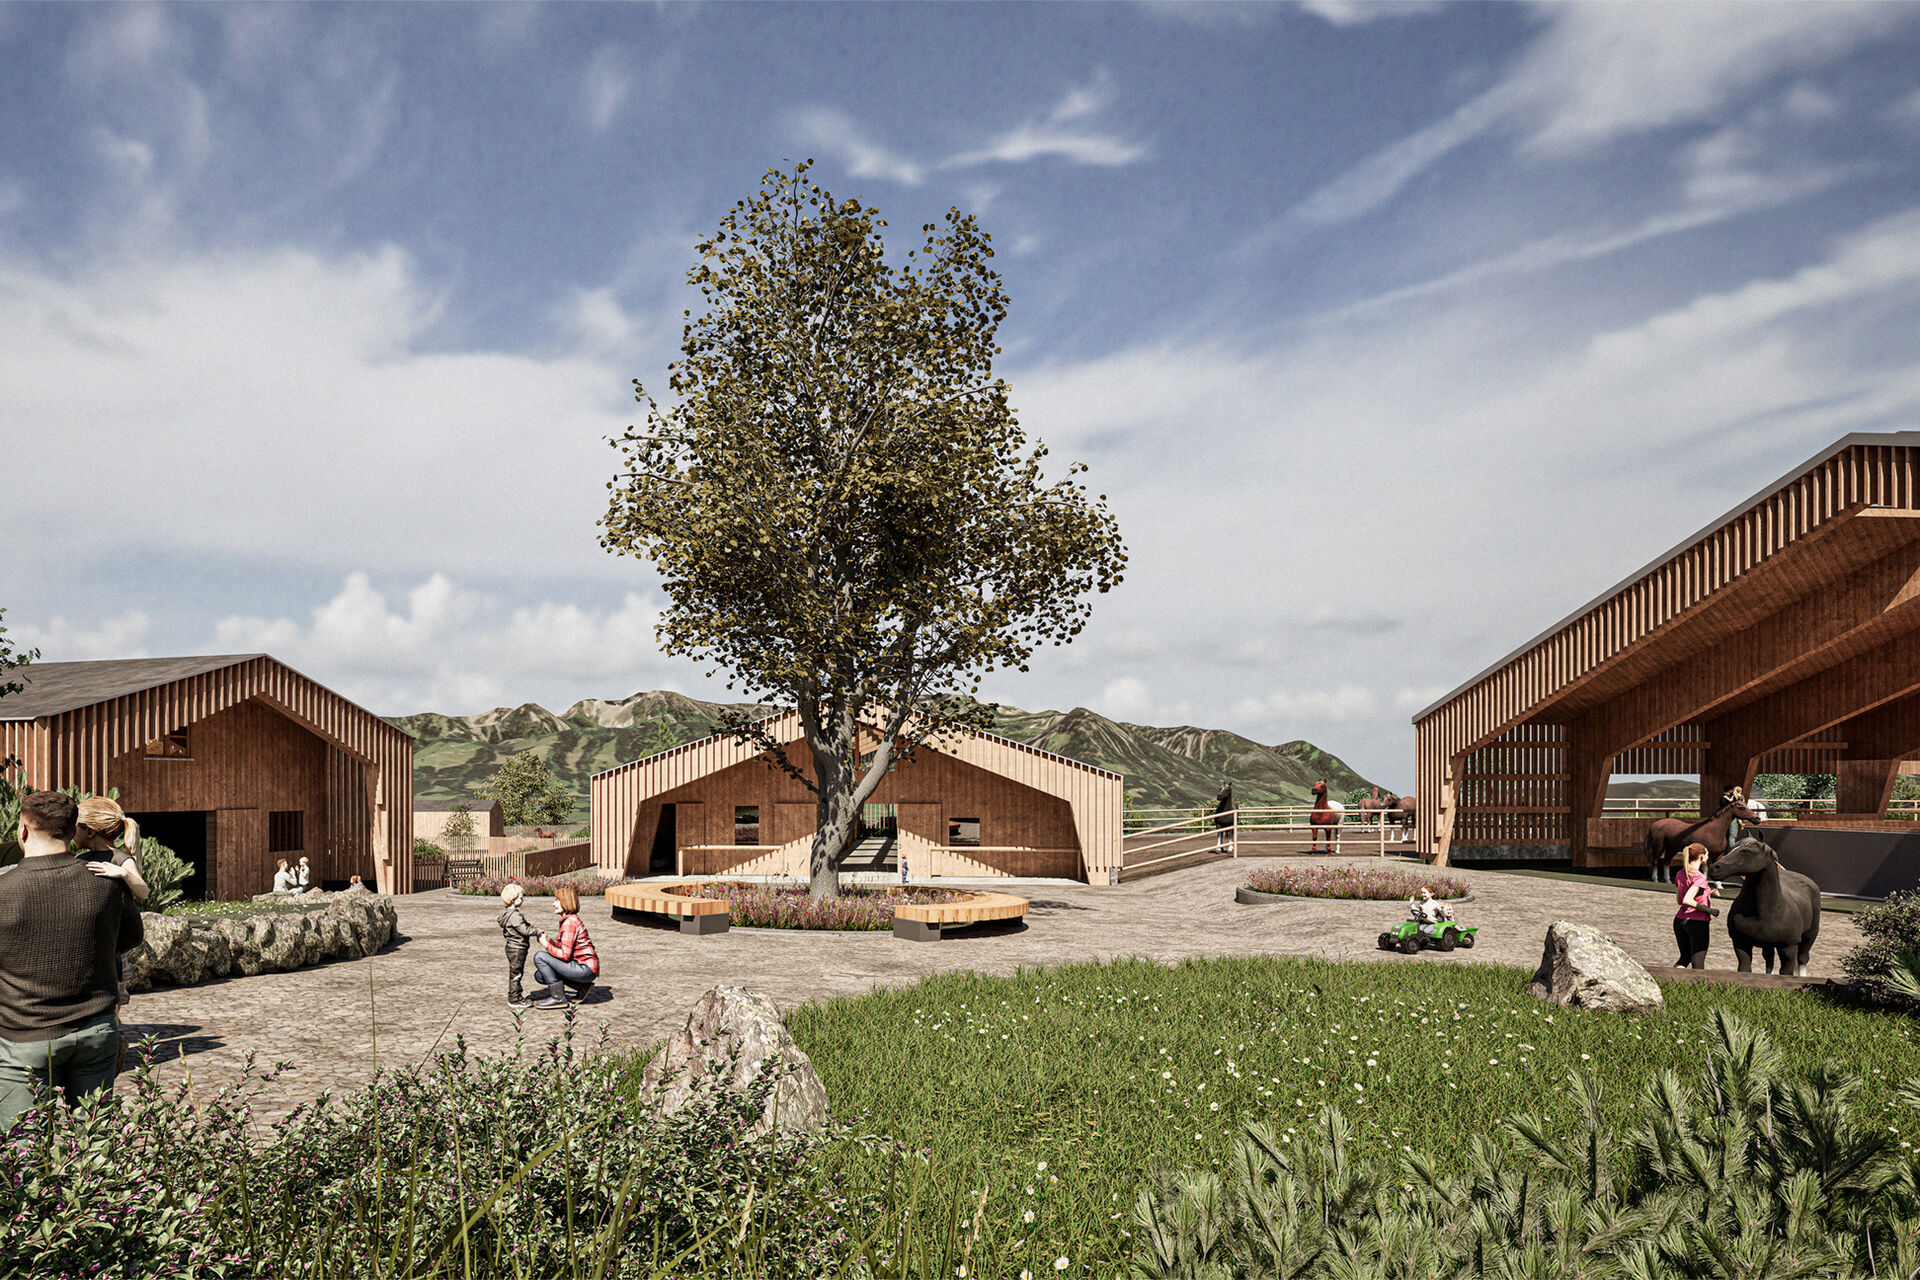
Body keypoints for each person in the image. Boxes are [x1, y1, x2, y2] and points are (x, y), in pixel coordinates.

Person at [0, 791, 144, 1132]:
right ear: (71, 831)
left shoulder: (4, 889)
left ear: (22, 831)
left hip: (25, 1037)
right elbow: (131, 939)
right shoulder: (108, 882)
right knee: (93, 1146)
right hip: (95, 1030)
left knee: (26, 1154)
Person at [75, 797, 149, 1010]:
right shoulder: (80, 857)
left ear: (90, 831)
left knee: (112, 1000)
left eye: (76, 828)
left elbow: (143, 891)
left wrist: (124, 873)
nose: (72, 833)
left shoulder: (120, 859)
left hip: (116, 945)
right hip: (92, 940)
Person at [532, 885, 598, 1010]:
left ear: (565, 902)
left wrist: (545, 945)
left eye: (557, 901)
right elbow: (565, 949)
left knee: (540, 957)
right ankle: (582, 987)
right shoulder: (569, 920)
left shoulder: (570, 923)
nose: (553, 904)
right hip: (582, 967)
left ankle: (558, 998)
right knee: (540, 975)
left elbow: (564, 955)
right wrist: (549, 941)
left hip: (584, 968)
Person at [1672, 842, 1718, 969]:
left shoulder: (1680, 874)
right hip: (1696, 922)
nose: (1708, 857)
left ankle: (1671, 982)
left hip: (1679, 920)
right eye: (1707, 855)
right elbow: (1687, 899)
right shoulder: (1699, 877)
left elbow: (1679, 900)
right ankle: (1698, 988)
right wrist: (1709, 910)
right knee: (1698, 963)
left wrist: (1709, 894)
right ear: (1702, 857)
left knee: (1684, 958)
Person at [497, 883, 540, 1009]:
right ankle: (514, 998)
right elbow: (524, 930)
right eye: (521, 897)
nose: (523, 900)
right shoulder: (515, 916)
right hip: (518, 948)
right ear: (513, 900)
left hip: (511, 947)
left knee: (515, 972)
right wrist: (537, 931)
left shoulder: (506, 914)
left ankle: (515, 995)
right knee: (516, 973)